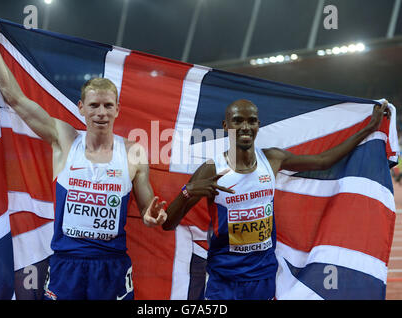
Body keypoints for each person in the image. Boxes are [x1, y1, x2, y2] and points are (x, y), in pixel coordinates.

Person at [0, 10, 167, 300]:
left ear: (117, 109)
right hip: (67, 266)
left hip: (111, 268)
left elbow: (147, 207)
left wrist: (152, 216)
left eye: (107, 106)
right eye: (94, 105)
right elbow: (15, 98)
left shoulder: (133, 152)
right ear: (81, 107)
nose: (101, 112)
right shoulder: (65, 139)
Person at [162, 98, 390, 300]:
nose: (245, 127)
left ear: (258, 125)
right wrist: (187, 192)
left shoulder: (272, 159)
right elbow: (168, 223)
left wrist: (369, 128)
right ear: (226, 126)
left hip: (263, 277)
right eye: (237, 120)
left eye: (251, 121)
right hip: (224, 281)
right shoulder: (212, 169)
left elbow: (322, 161)